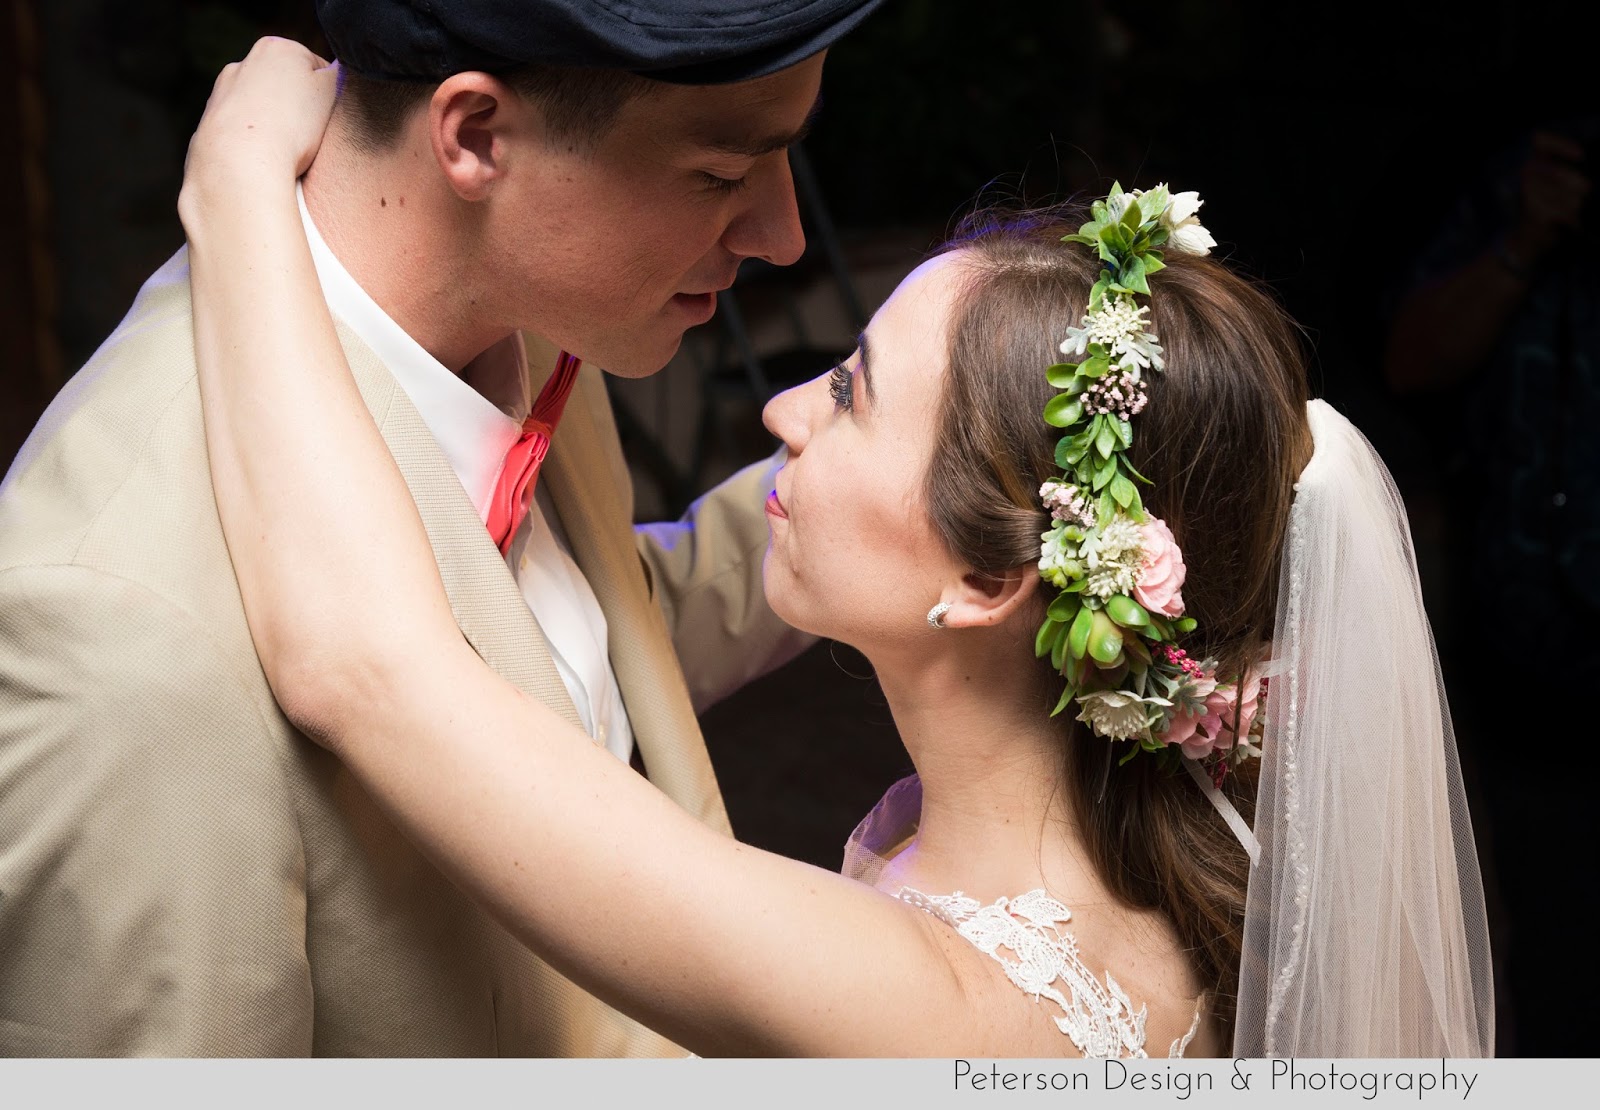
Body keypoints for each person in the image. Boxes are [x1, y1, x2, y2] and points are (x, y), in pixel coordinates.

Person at [178, 43, 1494, 1057]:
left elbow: (362, 668)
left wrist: (235, 190)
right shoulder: (1165, 884)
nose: (780, 412)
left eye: (852, 391)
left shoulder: (936, 1000)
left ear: (987, 580)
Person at [0, 0, 883, 1057]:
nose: (781, 233)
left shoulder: (521, 303)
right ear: (472, 137)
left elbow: (573, 652)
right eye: (720, 175)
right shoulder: (125, 631)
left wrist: (924, 476)